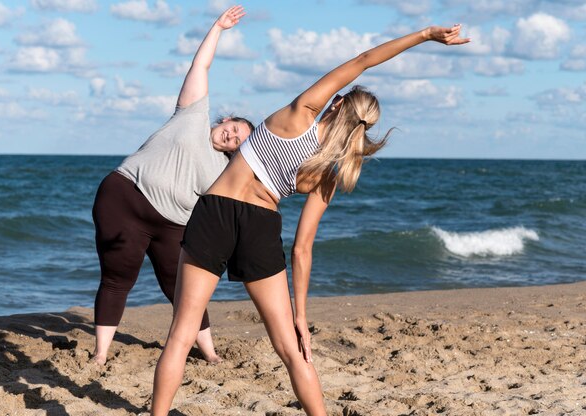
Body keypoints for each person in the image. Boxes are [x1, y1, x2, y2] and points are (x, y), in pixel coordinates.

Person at [151, 20, 469, 414]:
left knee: (181, 336)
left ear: (337, 103)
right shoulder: (328, 175)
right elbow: (302, 250)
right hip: (260, 225)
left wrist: (424, 36)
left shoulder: (301, 112)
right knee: (292, 351)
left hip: (215, 211)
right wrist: (301, 315)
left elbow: (364, 60)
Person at [91, 6, 253, 366]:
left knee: (183, 288)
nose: (231, 136)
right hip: (124, 198)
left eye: (238, 140)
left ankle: (209, 352)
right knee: (118, 277)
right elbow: (201, 66)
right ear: (226, 119)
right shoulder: (192, 113)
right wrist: (218, 28)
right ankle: (101, 354)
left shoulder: (223, 170)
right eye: (234, 128)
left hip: (172, 223)